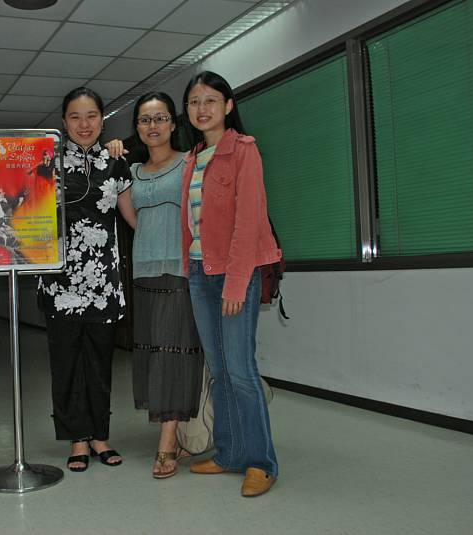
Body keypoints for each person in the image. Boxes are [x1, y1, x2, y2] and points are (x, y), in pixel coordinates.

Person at [180, 71, 282, 497]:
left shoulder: (243, 151)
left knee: (241, 370)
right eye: (193, 102)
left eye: (209, 100)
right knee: (219, 372)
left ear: (227, 105)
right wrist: (189, 270)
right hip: (199, 272)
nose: (201, 109)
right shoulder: (193, 159)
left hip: (233, 272)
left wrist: (237, 284)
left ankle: (261, 462)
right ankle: (229, 453)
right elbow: (191, 224)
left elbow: (248, 222)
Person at [37, 87, 135, 472]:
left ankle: (99, 436)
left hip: (103, 283)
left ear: (102, 120)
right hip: (59, 282)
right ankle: (77, 438)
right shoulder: (46, 163)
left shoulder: (116, 163)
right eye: (75, 116)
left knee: (99, 362)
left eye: (91, 115)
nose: (84, 124)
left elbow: (133, 217)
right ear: (64, 122)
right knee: (66, 363)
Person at [127, 92, 204, 479]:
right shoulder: (132, 172)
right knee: (154, 352)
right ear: (137, 128)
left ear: (174, 124)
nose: (153, 126)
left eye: (159, 118)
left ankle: (167, 442)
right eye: (145, 120)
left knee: (173, 352)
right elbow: (132, 214)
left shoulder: (190, 163)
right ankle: (175, 431)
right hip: (144, 270)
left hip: (179, 269)